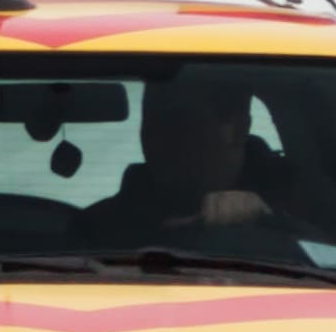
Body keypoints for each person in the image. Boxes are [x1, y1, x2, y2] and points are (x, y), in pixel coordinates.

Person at [82, 79, 278, 240]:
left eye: (178, 123)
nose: (156, 140)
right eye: (151, 124)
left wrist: (268, 222)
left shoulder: (291, 204)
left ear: (239, 130)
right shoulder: (99, 227)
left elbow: (308, 251)